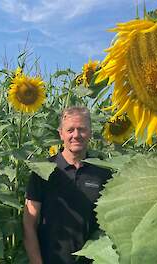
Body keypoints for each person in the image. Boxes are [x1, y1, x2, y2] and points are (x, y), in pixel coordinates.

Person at [23, 106, 112, 264]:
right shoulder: (43, 171)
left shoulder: (103, 173)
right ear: (61, 133)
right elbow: (29, 223)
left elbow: (109, 226)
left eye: (82, 129)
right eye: (70, 130)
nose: (76, 135)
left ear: (90, 132)